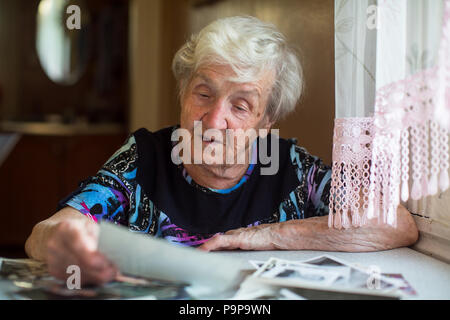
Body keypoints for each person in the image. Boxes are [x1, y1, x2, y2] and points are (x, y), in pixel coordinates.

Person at [25, 16, 419, 286]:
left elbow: (395, 222)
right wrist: (65, 243)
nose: (214, 121)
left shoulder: (293, 170)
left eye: (241, 105)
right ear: (183, 94)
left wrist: (263, 237)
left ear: (267, 122)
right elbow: (48, 232)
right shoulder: (142, 159)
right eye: (204, 94)